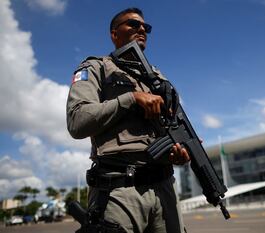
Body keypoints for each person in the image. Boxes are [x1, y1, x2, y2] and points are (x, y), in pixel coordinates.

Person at [66, 7, 190, 233]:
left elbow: (171, 128)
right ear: (115, 34)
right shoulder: (97, 68)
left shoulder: (160, 79)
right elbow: (77, 121)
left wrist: (178, 149)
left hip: (165, 188)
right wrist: (131, 99)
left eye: (146, 27)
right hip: (120, 190)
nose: (142, 28)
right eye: (133, 24)